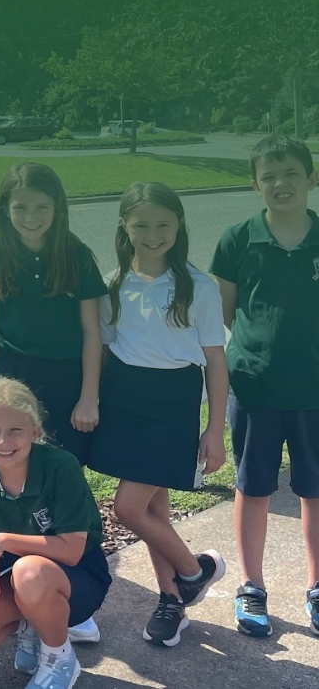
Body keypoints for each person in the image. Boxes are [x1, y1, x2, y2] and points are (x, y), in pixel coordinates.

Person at [89, 182, 228, 646]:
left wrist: (214, 429)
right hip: (125, 399)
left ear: (180, 225)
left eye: (163, 224)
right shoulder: (112, 284)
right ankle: (171, 603)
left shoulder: (199, 286)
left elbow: (215, 362)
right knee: (153, 506)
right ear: (124, 226)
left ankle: (195, 571)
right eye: (141, 224)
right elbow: (105, 351)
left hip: (174, 403)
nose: (152, 234)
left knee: (128, 507)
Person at [209, 134, 319, 638]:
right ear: (256, 184)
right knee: (252, 488)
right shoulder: (237, 239)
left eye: (291, 173)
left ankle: (317, 586)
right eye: (269, 176)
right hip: (253, 386)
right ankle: (252, 587)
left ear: (310, 178)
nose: (281, 183)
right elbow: (226, 313)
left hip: (315, 393)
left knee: (314, 491)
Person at [0, 378, 110, 689]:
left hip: (76, 576)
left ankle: (59, 657)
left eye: (15, 430)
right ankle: (32, 627)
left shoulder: (61, 467)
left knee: (29, 571)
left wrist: (3, 539)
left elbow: (72, 549)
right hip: (15, 576)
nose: (3, 441)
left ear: (35, 431)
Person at [0, 162, 106, 465]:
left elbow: (91, 330)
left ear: (58, 207)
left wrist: (88, 397)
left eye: (43, 206)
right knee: (14, 460)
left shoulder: (76, 254)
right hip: (13, 375)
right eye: (20, 207)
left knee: (65, 462)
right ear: (4, 209)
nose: (32, 217)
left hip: (67, 376)